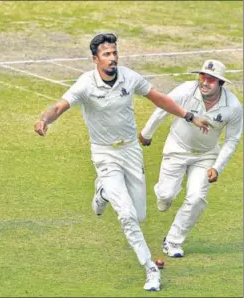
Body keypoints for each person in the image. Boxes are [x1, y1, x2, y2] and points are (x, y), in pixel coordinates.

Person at [34, 33, 211, 292]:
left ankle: (103, 190)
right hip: (105, 154)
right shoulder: (85, 83)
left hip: (130, 151)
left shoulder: (129, 77)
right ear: (95, 59)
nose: (113, 58)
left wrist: (189, 116)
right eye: (107, 54)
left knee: (138, 214)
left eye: (115, 53)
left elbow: (158, 98)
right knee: (127, 215)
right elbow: (60, 106)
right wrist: (44, 120)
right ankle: (150, 268)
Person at [139, 60, 242, 258]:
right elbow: (162, 107)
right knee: (166, 196)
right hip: (176, 148)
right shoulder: (186, 90)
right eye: (202, 77)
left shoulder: (233, 106)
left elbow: (232, 139)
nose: (204, 82)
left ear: (220, 83)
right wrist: (147, 132)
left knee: (196, 199)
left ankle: (173, 241)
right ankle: (164, 194)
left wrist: (218, 167)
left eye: (211, 80)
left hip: (206, 156)